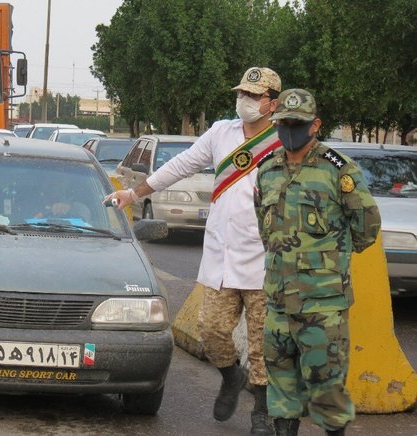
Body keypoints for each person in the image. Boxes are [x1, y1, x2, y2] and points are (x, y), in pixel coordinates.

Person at [106, 67, 282, 435]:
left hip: (267, 259)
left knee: (264, 342)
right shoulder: (222, 132)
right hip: (222, 253)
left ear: (272, 102)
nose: (244, 102)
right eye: (242, 94)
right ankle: (231, 377)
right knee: (212, 331)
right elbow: (183, 164)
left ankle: (262, 410)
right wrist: (135, 193)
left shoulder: (283, 140)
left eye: (253, 96)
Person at [254, 89, 381, 435]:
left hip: (322, 305)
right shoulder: (267, 170)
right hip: (278, 303)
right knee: (281, 390)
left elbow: (367, 225)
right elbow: (266, 230)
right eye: (284, 123)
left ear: (316, 125)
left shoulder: (336, 168)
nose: (290, 129)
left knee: (327, 388)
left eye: (298, 123)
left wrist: (331, 258)